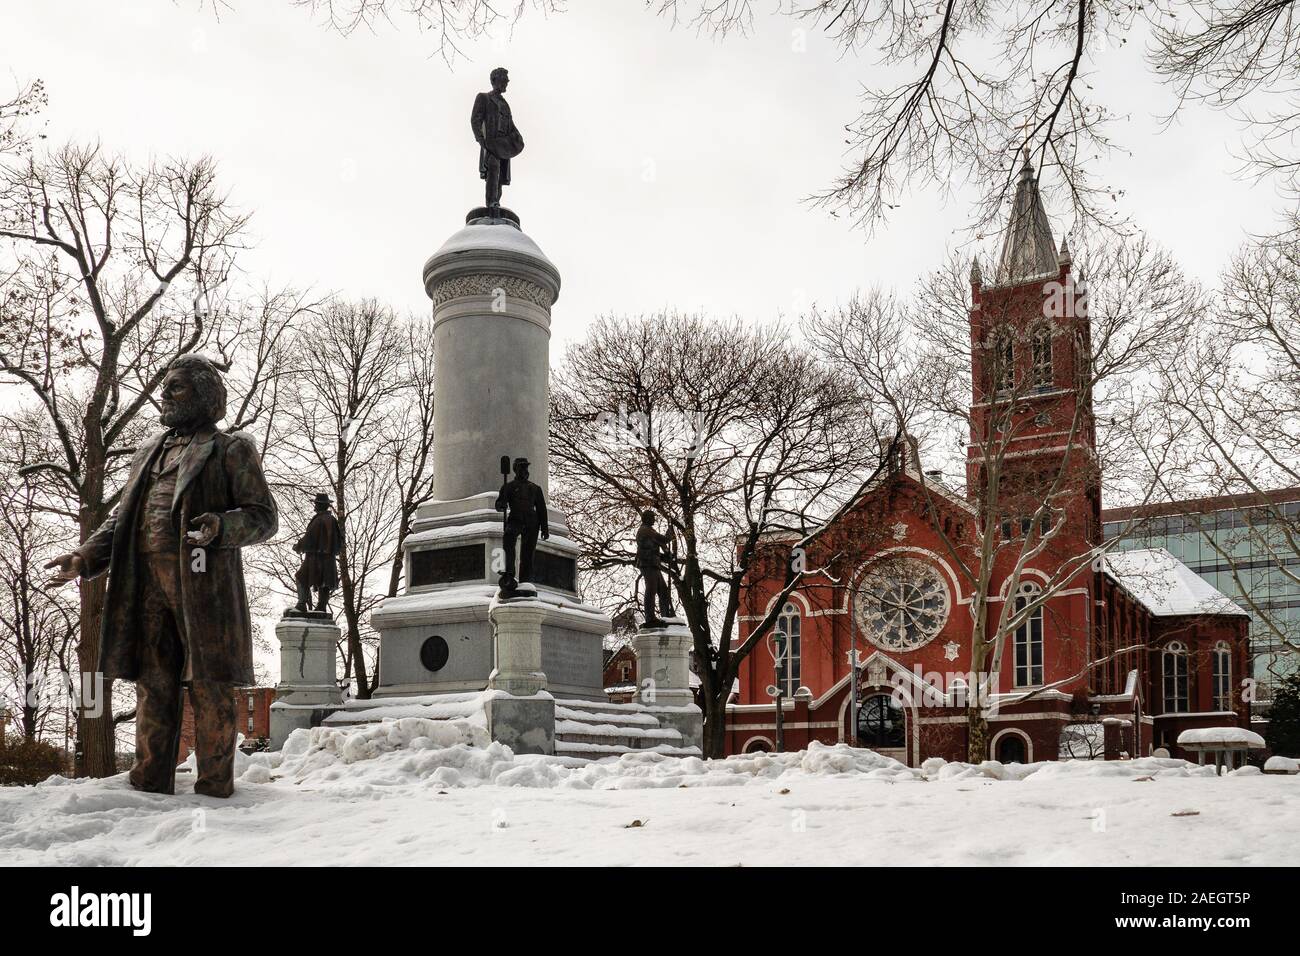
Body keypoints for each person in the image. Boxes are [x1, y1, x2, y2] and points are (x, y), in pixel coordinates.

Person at [44, 355, 278, 798]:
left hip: (202, 584)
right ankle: (149, 779)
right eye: (164, 387)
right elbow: (122, 521)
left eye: (176, 388)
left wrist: (221, 527)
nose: (163, 395)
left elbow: (263, 517)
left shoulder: (231, 448)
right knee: (154, 684)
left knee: (210, 685)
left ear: (205, 394)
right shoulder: (147, 451)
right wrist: (84, 556)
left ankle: (214, 785)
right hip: (144, 582)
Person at [471, 67, 524, 209]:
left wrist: (518, 139)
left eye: (507, 80)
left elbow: (511, 125)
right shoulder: (484, 98)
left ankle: (496, 203)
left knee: (500, 176)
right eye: (504, 79)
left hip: (504, 145)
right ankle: (491, 203)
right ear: (495, 80)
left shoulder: (505, 105)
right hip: (491, 144)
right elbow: (475, 119)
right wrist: (481, 139)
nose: (507, 82)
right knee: (493, 168)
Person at [494, 456, 548, 589]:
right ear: (515, 469)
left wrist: (544, 528)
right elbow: (499, 503)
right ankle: (510, 572)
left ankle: (525, 579)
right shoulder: (508, 487)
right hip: (515, 519)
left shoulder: (535, 488)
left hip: (531, 522)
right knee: (508, 539)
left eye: (526, 467)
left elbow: (541, 509)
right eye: (521, 467)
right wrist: (501, 505)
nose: (524, 469)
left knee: (528, 552)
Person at [293, 493, 343, 613]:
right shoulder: (332, 520)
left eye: (316, 503)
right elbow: (339, 542)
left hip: (315, 558)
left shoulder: (319, 520)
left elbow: (310, 538)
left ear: (320, 505)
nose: (314, 505)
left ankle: (301, 604)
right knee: (324, 582)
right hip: (329, 559)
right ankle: (321, 606)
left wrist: (298, 546)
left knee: (301, 577)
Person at [636, 510, 675, 626]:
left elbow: (652, 549)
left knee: (663, 592)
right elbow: (663, 539)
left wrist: (664, 556)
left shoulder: (650, 530)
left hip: (653, 563)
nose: (654, 519)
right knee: (651, 589)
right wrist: (670, 533)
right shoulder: (645, 530)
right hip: (647, 564)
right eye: (652, 517)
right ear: (647, 518)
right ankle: (650, 618)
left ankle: (666, 617)